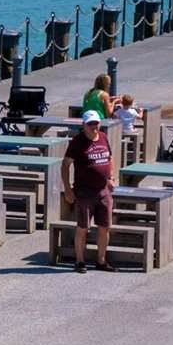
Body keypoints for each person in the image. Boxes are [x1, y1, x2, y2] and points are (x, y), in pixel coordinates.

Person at [61, 111, 116, 273]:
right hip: (84, 191)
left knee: (104, 227)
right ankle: (79, 261)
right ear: (83, 125)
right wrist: (68, 189)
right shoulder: (78, 142)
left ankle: (101, 260)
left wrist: (111, 177)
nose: (94, 127)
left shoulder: (104, 137)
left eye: (96, 123)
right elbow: (65, 165)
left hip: (103, 190)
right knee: (83, 227)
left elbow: (110, 158)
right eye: (91, 124)